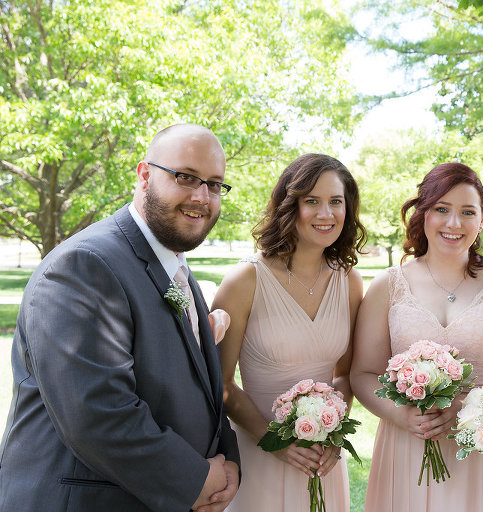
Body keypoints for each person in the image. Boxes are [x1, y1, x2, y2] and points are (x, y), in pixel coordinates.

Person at [0, 124, 241, 512]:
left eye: (214, 184)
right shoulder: (83, 266)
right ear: (145, 175)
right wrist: (193, 480)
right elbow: (97, 415)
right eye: (186, 177)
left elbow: (201, 388)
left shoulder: (174, 266)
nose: (202, 196)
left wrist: (229, 462)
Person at [350, 162, 483, 512]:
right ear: (423, 213)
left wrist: (468, 405)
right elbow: (363, 374)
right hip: (410, 449)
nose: (453, 223)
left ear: (482, 220)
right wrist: (402, 416)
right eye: (441, 209)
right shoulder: (388, 285)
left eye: (467, 212)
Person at [212, 153, 366, 511]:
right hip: (260, 453)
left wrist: (333, 431)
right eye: (311, 201)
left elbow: (345, 374)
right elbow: (220, 382)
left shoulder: (349, 281)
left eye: (335, 202)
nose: (325, 214)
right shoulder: (245, 280)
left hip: (323, 459)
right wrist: (274, 441)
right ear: (289, 205)